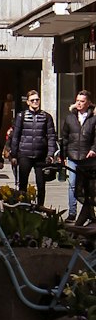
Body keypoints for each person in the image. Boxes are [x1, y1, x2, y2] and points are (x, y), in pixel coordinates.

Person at [8, 88, 57, 206]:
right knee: (22, 184)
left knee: (41, 184)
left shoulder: (46, 117)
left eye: (37, 99)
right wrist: (14, 155)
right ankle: (22, 207)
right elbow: (15, 136)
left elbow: (51, 136)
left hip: (41, 155)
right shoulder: (21, 116)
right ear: (28, 102)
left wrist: (50, 154)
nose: (35, 102)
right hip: (24, 154)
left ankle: (41, 207)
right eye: (33, 100)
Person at [60, 89, 96, 224]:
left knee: (89, 187)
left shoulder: (94, 118)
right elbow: (64, 138)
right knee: (73, 186)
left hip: (89, 158)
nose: (79, 104)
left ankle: (89, 212)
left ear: (89, 103)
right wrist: (62, 156)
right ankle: (72, 213)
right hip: (73, 155)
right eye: (77, 101)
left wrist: (94, 149)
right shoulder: (70, 118)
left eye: (82, 101)